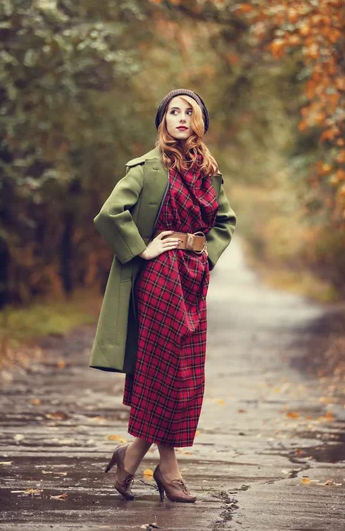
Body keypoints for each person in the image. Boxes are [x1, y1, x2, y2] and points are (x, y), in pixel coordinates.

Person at [90, 88, 236, 503]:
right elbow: (109, 214)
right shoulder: (148, 168)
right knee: (165, 368)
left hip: (193, 276)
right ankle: (167, 470)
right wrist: (142, 248)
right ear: (163, 121)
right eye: (173, 111)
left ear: (199, 122)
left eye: (188, 112)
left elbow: (225, 220)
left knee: (184, 371)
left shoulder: (209, 172)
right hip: (158, 276)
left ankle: (132, 455)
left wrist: (206, 254)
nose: (180, 118)